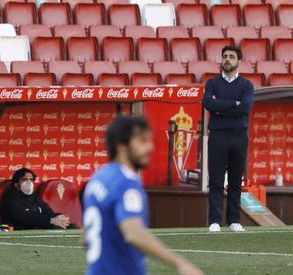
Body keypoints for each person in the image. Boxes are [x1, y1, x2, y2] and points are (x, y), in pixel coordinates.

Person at [84, 115, 203, 275]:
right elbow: (133, 233)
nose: (150, 147)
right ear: (122, 145)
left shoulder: (98, 179)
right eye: (142, 141)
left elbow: (86, 236)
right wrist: (179, 263)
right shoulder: (126, 183)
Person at [202, 45, 254, 233]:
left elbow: (245, 108)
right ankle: (215, 221)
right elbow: (208, 103)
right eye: (224, 56)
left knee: (235, 181)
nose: (227, 59)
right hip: (217, 136)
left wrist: (220, 107)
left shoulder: (246, 85)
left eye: (231, 56)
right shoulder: (212, 83)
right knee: (216, 180)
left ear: (239, 61)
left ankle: (234, 220)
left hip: (239, 136)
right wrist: (234, 104)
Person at [0, 167, 72, 230]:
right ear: (16, 184)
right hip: (21, 233)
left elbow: (49, 212)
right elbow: (24, 217)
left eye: (31, 180)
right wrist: (51, 220)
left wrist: (60, 217)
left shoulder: (35, 197)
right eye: (24, 180)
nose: (29, 182)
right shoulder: (11, 198)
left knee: (72, 227)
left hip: (39, 230)